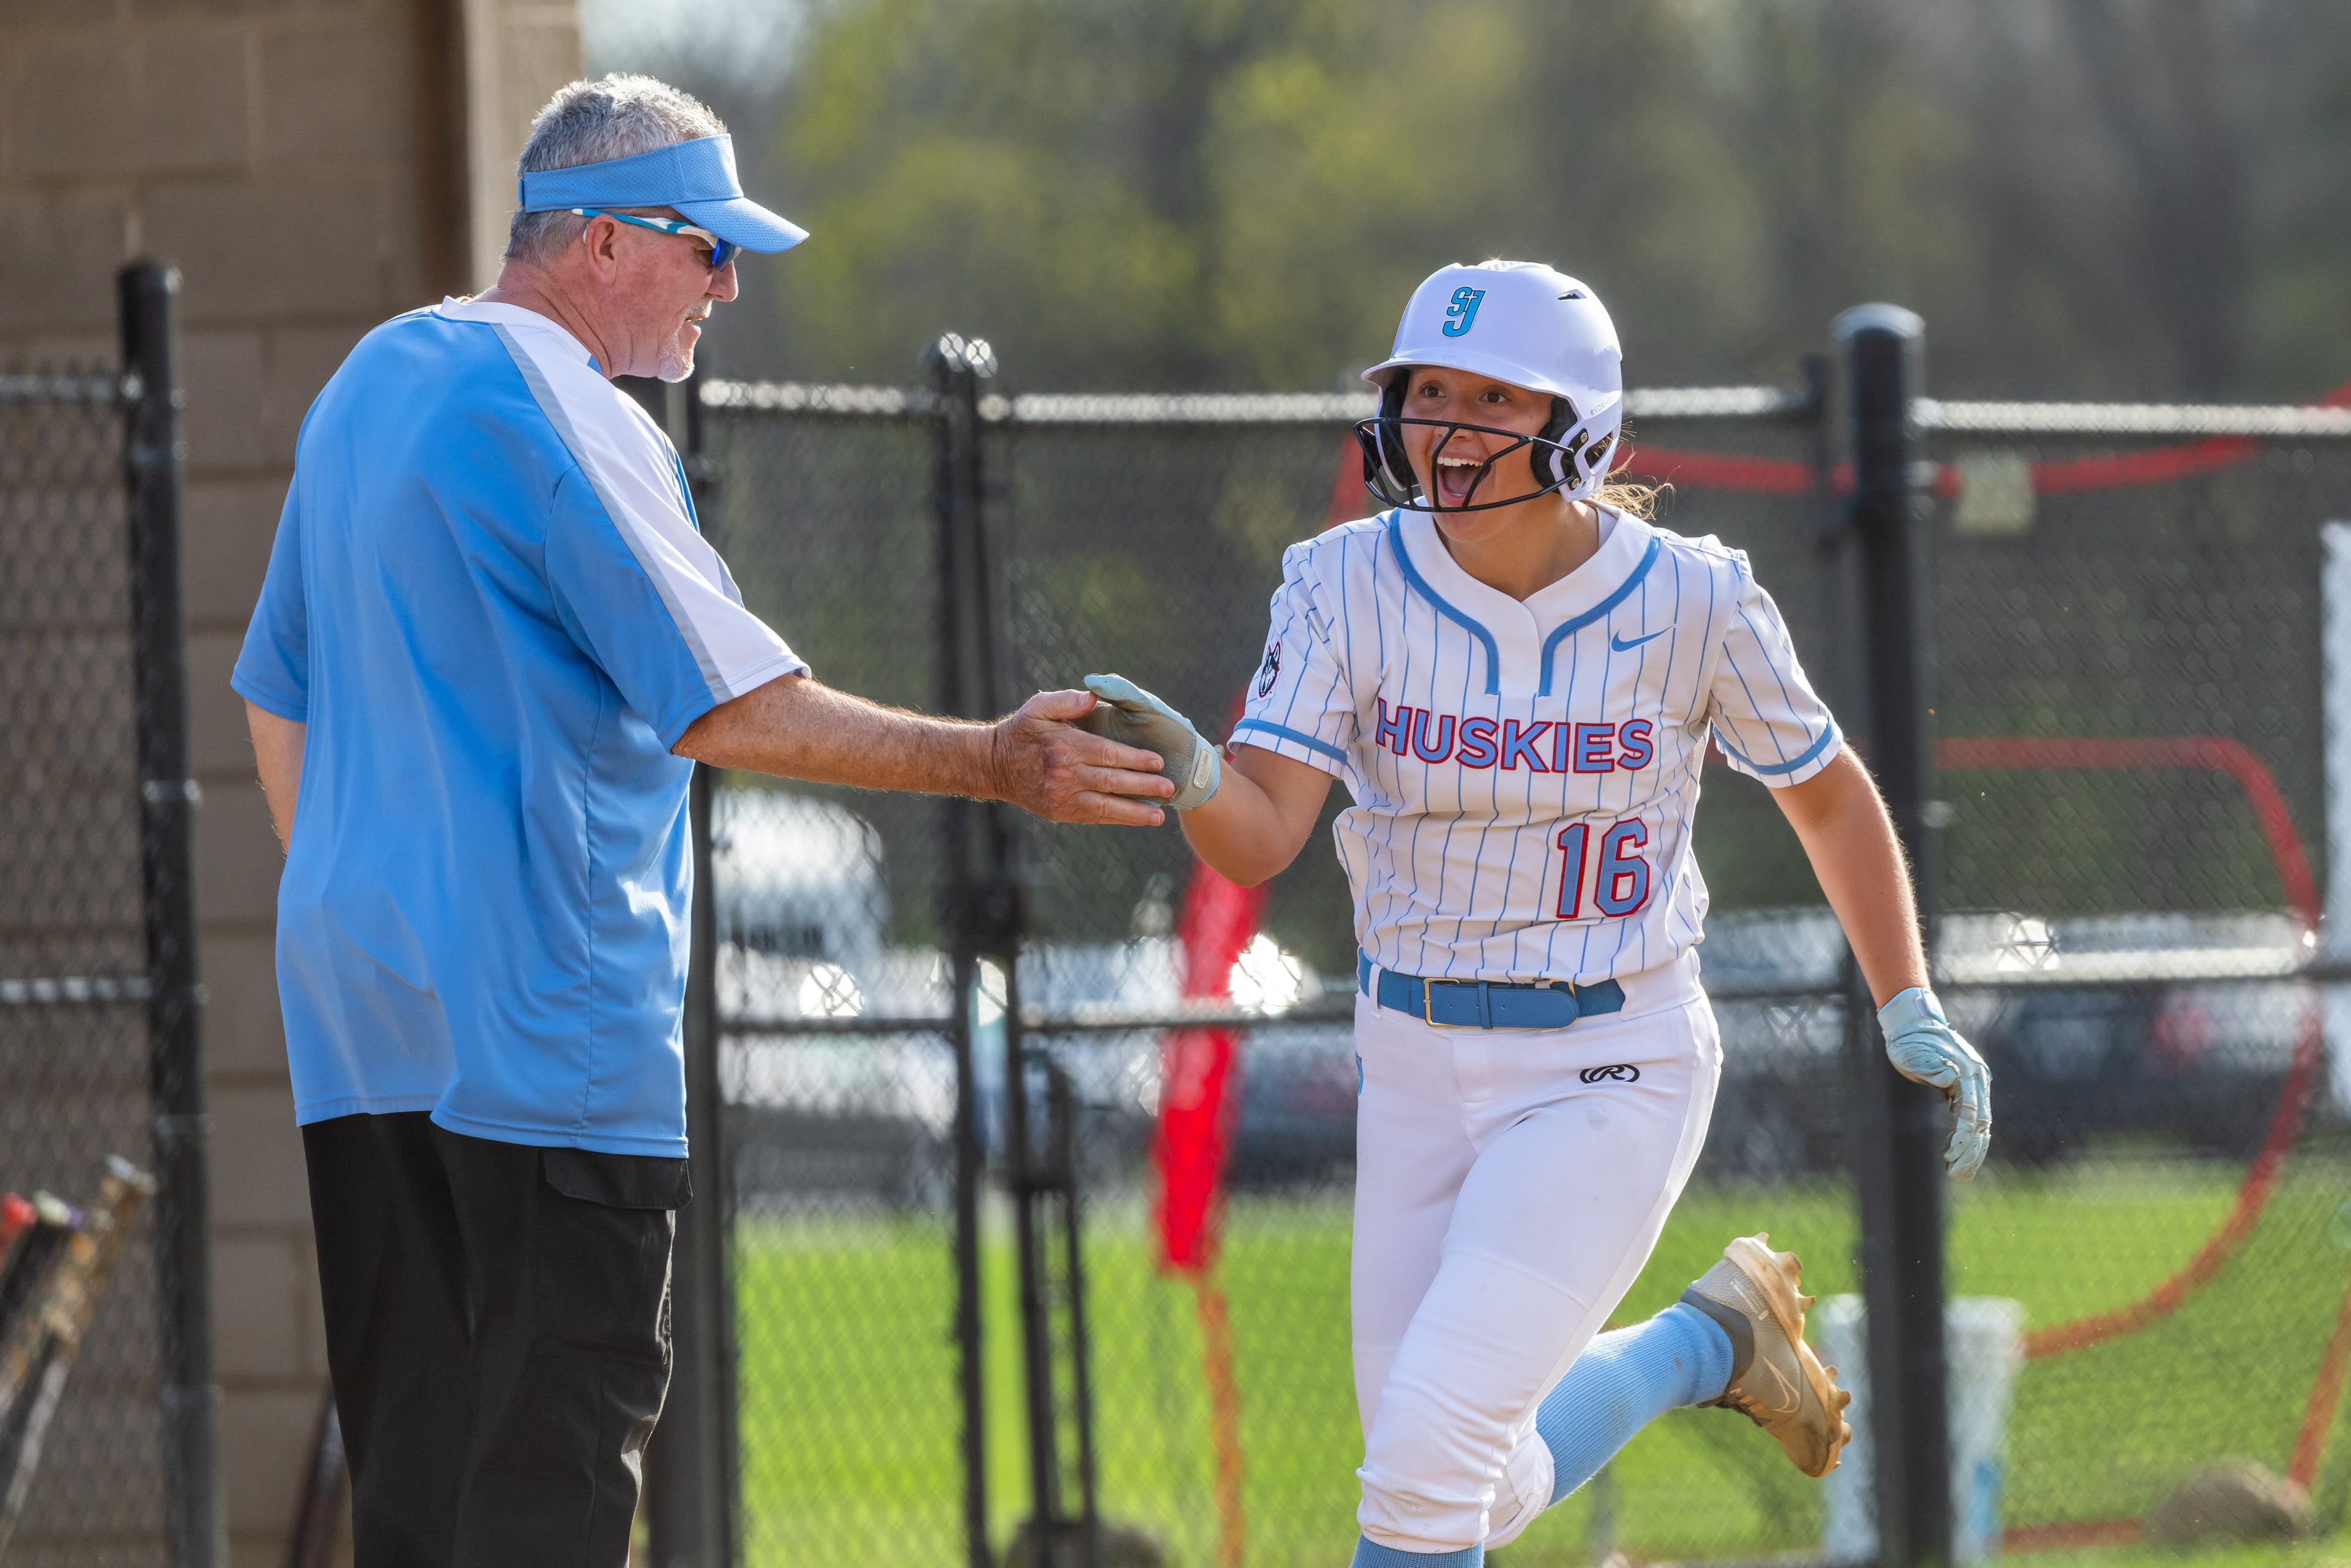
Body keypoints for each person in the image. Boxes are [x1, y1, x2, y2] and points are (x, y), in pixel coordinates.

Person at [231, 74, 1173, 1567]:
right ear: (602, 241)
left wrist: (370, 898)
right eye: (706, 245)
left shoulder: (373, 378)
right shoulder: (563, 406)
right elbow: (727, 701)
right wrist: (994, 760)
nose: (727, 285)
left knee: (417, 1481)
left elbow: (273, 698)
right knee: (548, 1487)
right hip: (543, 1031)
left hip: (361, 1022)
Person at [1076, 260, 1992, 1566]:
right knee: (1468, 1483)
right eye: (1426, 393)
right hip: (1411, 1057)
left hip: (1607, 1058)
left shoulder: (1691, 597)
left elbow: (1830, 796)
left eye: (1492, 398)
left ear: (1583, 426)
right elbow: (1265, 829)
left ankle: (1703, 1343)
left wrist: (1907, 996)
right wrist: (1200, 779)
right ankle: (1710, 1341)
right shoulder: (1345, 581)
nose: (1447, 428)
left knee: (1421, 1469)